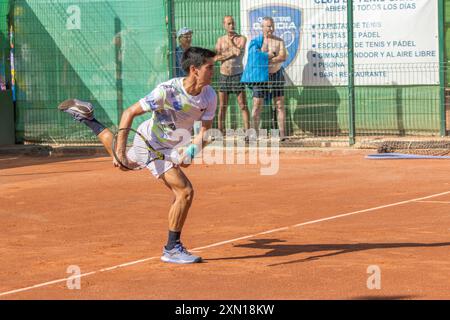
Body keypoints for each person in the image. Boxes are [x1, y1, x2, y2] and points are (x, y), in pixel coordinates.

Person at [58, 47, 217, 264]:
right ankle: (171, 248)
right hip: (149, 142)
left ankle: (87, 118)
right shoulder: (167, 91)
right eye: (210, 67)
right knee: (184, 191)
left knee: (126, 165)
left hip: (172, 146)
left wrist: (191, 152)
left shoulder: (209, 95)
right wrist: (121, 151)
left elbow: (207, 132)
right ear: (194, 70)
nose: (214, 71)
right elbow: (129, 112)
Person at [241, 17, 287, 140]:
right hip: (260, 77)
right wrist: (271, 55)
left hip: (276, 74)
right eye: (267, 26)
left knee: (279, 105)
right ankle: (253, 133)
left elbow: (283, 57)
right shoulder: (257, 41)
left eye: (272, 26)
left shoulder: (279, 41)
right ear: (262, 28)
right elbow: (253, 56)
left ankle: (282, 135)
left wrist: (266, 58)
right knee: (256, 104)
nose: (270, 29)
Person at [214, 15, 250, 134]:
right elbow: (216, 57)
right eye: (228, 24)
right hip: (224, 75)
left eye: (233, 23)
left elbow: (238, 52)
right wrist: (230, 54)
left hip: (237, 75)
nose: (231, 26)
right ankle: (220, 131)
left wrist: (230, 42)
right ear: (224, 25)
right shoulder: (220, 40)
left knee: (243, 105)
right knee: (223, 106)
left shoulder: (241, 38)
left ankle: (247, 132)